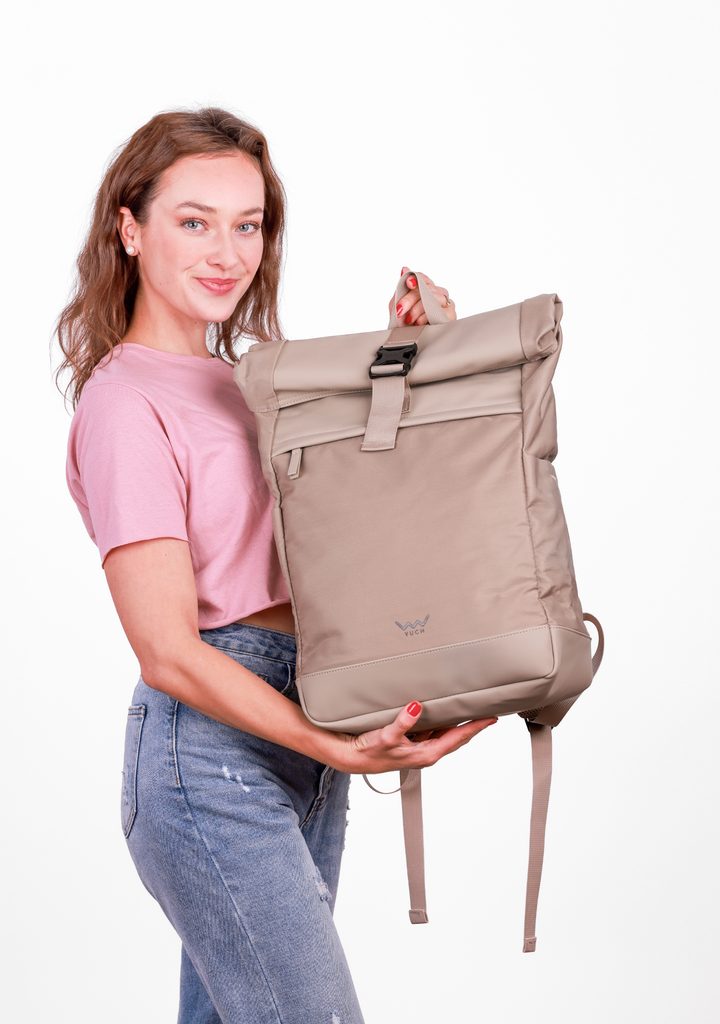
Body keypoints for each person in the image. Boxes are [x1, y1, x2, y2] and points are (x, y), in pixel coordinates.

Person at [55, 106, 498, 1024]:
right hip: (211, 756)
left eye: (248, 225)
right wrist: (327, 744)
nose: (227, 253)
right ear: (130, 230)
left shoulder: (249, 381)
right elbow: (167, 651)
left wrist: (411, 356)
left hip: (303, 724)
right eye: (194, 222)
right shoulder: (124, 404)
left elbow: (351, 525)